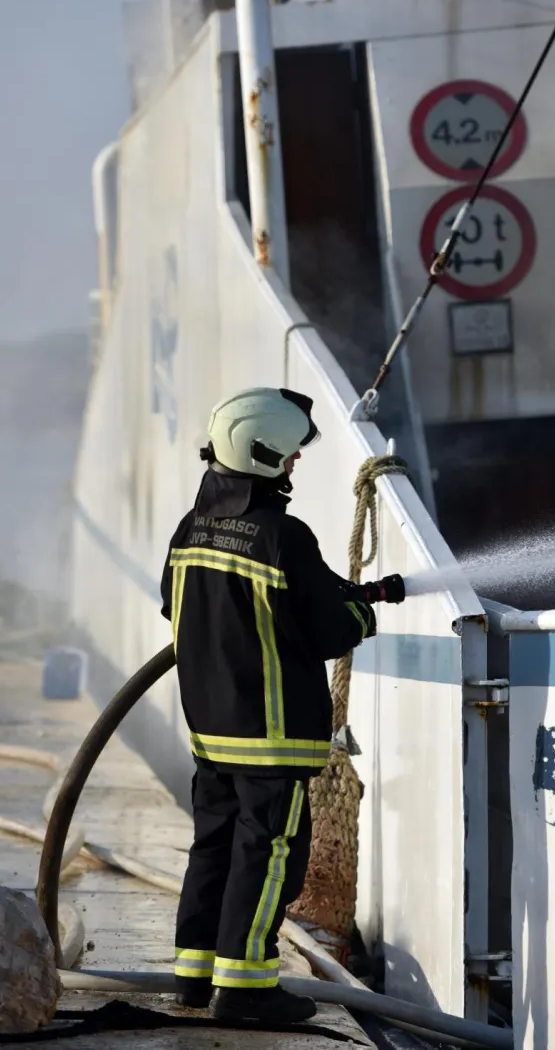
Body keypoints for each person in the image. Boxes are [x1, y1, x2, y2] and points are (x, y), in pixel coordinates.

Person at [160, 387, 377, 1024]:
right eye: (289, 455)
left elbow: (177, 608)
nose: (295, 464)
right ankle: (247, 990)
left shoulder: (190, 528)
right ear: (262, 456)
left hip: (211, 733)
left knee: (214, 848)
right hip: (272, 736)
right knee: (270, 852)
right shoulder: (283, 536)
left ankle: (195, 977)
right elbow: (335, 630)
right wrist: (363, 609)